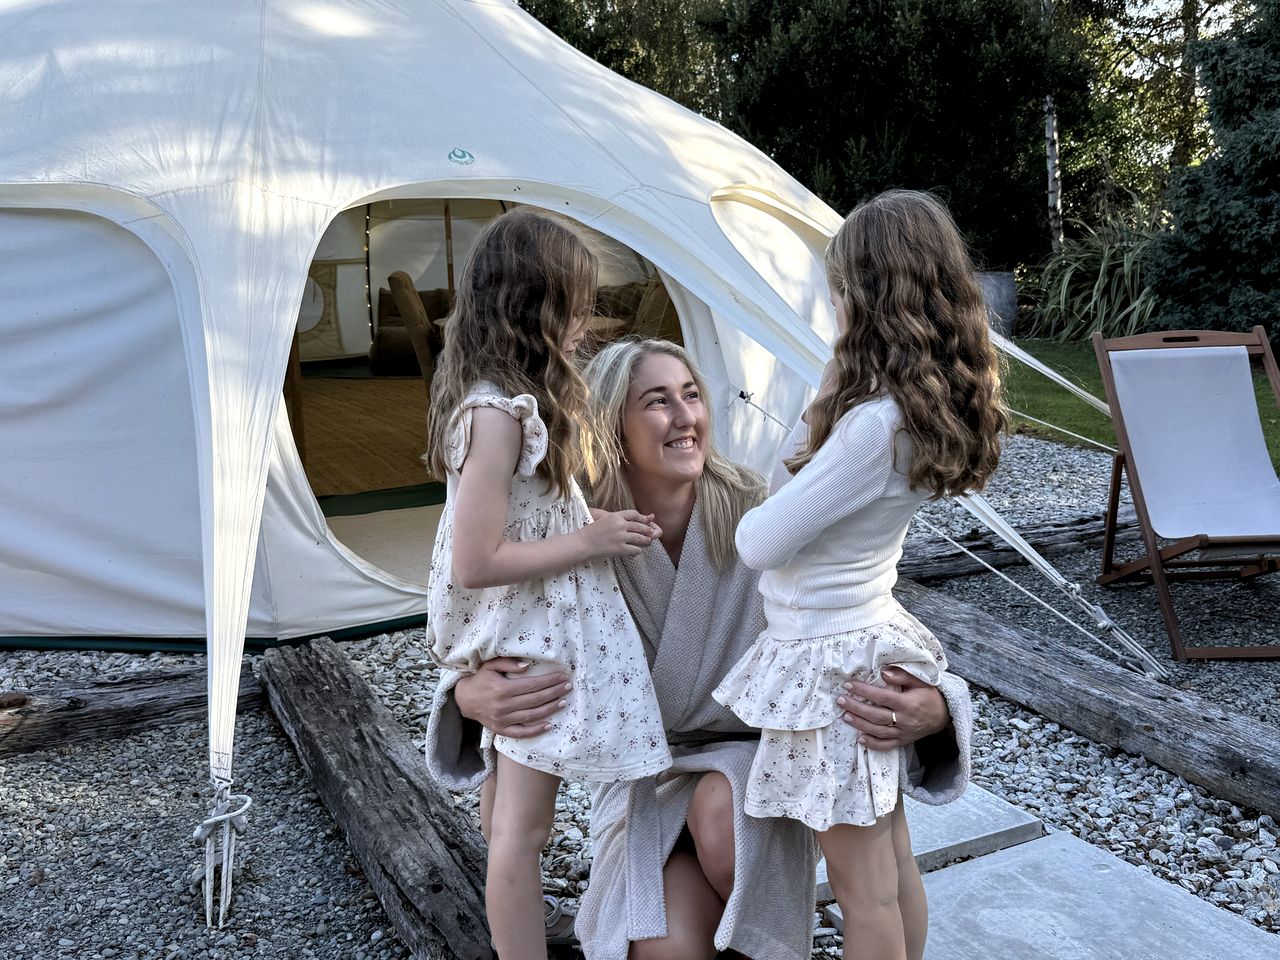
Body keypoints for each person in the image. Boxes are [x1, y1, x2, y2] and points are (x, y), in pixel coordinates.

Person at [426, 335, 974, 960]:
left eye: (691, 395)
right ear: (613, 425)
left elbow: (863, 620)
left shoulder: (761, 516)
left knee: (720, 817)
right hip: (643, 784)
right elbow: (500, 627)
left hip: (752, 772)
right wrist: (467, 693)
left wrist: (937, 705)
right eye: (657, 402)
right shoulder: (579, 538)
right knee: (669, 950)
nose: (686, 418)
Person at [713, 190, 1007, 960]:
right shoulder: (915, 413)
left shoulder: (870, 429)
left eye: (838, 289)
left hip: (828, 664)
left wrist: (813, 412)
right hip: (867, 637)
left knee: (862, 890)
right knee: (893, 865)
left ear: (865, 298)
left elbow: (758, 540)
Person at [422, 210, 671, 960]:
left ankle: (518, 928)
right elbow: (476, 559)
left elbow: (526, 516)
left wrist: (590, 519)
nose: (584, 324)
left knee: (505, 820)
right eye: (576, 304)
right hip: (530, 636)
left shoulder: (514, 403)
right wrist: (589, 539)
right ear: (534, 305)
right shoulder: (496, 416)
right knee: (522, 836)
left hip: (535, 623)